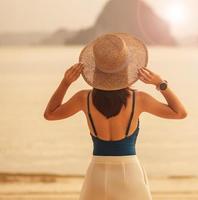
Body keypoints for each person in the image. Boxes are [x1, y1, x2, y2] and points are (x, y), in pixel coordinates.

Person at [43, 33, 187, 200]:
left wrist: (65, 82)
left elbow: (50, 114)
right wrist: (160, 83)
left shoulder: (84, 98)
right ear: (126, 67)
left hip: (96, 174)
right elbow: (180, 113)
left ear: (96, 69)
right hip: (130, 174)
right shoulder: (138, 99)